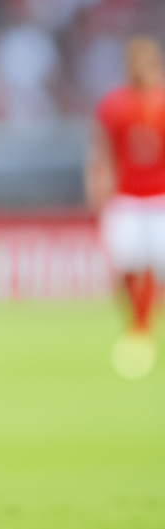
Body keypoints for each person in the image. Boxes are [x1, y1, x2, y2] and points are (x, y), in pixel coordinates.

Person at [85, 36, 165, 376]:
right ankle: (138, 324)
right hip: (127, 198)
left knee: (157, 268)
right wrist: (96, 186)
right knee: (126, 268)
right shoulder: (113, 106)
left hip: (160, 197)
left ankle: (140, 330)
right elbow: (101, 151)